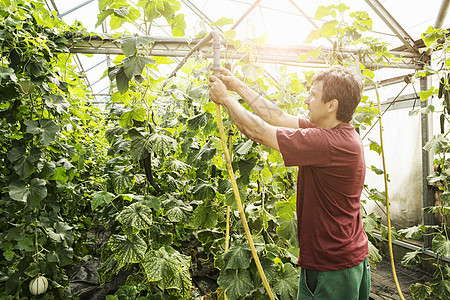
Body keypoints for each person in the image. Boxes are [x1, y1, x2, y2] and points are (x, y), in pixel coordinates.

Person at [208, 65, 370, 300]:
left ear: (331, 105)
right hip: (345, 259)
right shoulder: (337, 133)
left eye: (313, 95)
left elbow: (257, 131)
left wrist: (224, 99)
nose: (306, 100)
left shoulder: (328, 142)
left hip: (331, 267)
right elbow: (276, 117)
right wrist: (235, 85)